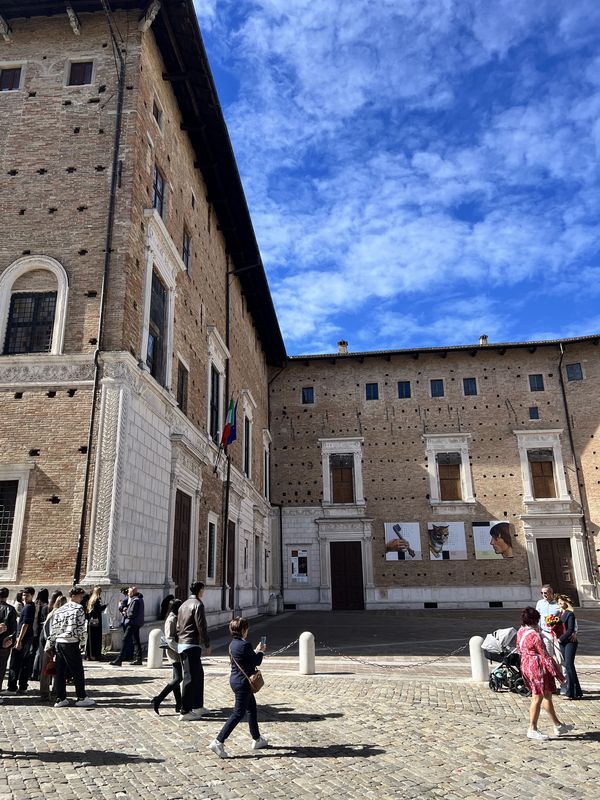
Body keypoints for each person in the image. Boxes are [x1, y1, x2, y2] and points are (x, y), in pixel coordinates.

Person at [208, 617, 267, 758]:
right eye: (246, 629)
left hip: (235, 680)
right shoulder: (245, 644)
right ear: (243, 630)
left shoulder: (232, 644)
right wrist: (260, 651)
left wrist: (254, 651)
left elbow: (244, 659)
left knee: (251, 708)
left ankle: (257, 739)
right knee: (238, 713)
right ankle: (218, 741)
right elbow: (256, 661)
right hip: (243, 683)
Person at [516, 606, 573, 740]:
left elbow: (519, 648)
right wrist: (558, 674)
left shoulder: (521, 631)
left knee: (547, 695)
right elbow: (544, 655)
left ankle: (557, 725)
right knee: (537, 698)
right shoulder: (535, 635)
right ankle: (532, 728)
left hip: (526, 663)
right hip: (536, 667)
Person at [46, 586, 95, 708]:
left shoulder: (60, 609)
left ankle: (61, 698)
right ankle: (81, 697)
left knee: (60, 671)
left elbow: (55, 628)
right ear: (74, 596)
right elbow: (81, 627)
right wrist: (83, 643)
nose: (81, 599)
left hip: (59, 641)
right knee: (77, 671)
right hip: (71, 641)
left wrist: (50, 643)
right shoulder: (78, 608)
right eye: (80, 596)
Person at [176, 580, 211, 721]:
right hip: (191, 644)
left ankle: (197, 706)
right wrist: (206, 643)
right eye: (203, 589)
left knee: (198, 675)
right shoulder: (198, 604)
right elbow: (201, 626)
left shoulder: (183, 605)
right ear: (200, 590)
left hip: (183, 643)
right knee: (190, 678)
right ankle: (185, 710)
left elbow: (178, 626)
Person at [151, 598, 183, 714]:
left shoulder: (176, 617)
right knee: (179, 678)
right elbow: (169, 639)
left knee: (176, 679)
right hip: (173, 652)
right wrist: (180, 649)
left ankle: (179, 703)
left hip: (176, 651)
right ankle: (158, 699)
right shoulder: (171, 619)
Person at [7, 586, 36, 694]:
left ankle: (12, 687)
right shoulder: (29, 606)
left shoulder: (28, 607)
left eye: (27, 595)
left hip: (23, 638)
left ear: (32, 596)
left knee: (15, 663)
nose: (25, 597)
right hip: (27, 637)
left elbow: (25, 624)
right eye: (24, 595)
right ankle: (23, 686)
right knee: (24, 663)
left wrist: (19, 640)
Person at [39, 595, 67, 700]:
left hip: (49, 644)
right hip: (53, 644)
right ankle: (52, 692)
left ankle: (46, 692)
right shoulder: (58, 614)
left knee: (48, 669)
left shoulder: (52, 613)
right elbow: (51, 631)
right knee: (54, 668)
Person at [556, 594, 583, 700]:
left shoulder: (570, 614)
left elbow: (570, 629)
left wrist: (561, 638)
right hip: (562, 642)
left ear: (566, 602)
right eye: (558, 601)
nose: (559, 602)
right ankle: (577, 692)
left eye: (561, 601)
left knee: (568, 665)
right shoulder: (559, 613)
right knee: (569, 666)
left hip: (570, 642)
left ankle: (571, 693)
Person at [110, 586, 144, 666]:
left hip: (132, 623)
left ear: (132, 593)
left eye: (129, 592)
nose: (128, 594)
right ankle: (138, 658)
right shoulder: (139, 599)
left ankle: (120, 659)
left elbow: (131, 613)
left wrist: (125, 612)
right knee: (136, 641)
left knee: (125, 639)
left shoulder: (135, 600)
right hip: (136, 623)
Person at [0, 587, 17, 701]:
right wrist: (11, 642)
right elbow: (13, 629)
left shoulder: (10, 610)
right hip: (4, 643)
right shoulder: (11, 609)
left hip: (4, 643)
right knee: (1, 669)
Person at [535, 584, 560, 658]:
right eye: (542, 593)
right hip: (545, 633)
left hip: (557, 634)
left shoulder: (558, 603)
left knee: (560, 656)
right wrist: (537, 628)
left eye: (545, 593)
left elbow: (565, 617)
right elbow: (537, 616)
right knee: (548, 656)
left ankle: (561, 666)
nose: (543, 594)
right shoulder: (540, 603)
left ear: (551, 593)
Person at [85, 586, 106, 661]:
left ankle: (89, 654)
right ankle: (95, 655)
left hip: (91, 623)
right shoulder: (97, 600)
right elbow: (96, 610)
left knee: (90, 639)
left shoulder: (91, 599)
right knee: (96, 639)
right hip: (96, 623)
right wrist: (103, 607)